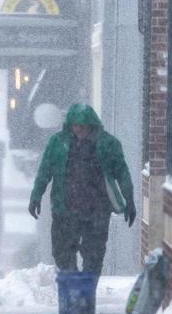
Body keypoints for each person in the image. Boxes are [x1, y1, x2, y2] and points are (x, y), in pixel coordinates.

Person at [28, 103, 136, 274]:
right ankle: (71, 285)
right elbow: (45, 171)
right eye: (75, 125)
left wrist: (129, 199)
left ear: (92, 125)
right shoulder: (57, 143)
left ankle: (86, 290)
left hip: (97, 212)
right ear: (69, 125)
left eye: (83, 126)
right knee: (62, 254)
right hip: (65, 211)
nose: (79, 129)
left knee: (94, 256)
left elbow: (122, 173)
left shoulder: (108, 144)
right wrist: (36, 196)